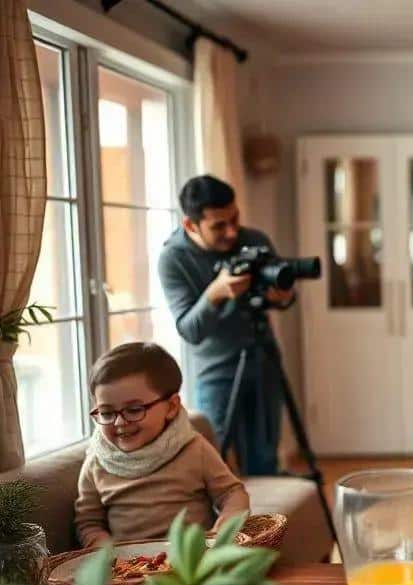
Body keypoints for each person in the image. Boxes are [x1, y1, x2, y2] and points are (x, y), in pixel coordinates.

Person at [158, 175, 293, 475]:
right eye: (219, 225)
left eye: (235, 219)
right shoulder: (172, 259)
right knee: (213, 463)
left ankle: (268, 522)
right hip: (216, 372)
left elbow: (279, 299)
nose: (232, 232)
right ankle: (229, 522)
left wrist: (282, 296)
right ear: (191, 225)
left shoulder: (254, 240)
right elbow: (190, 330)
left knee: (265, 461)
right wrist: (215, 294)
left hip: (264, 360)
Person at [75, 342, 249, 546]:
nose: (119, 422)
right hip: (129, 571)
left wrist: (224, 528)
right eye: (106, 412)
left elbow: (232, 493)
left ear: (172, 406)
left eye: (134, 410)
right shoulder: (97, 461)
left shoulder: (193, 448)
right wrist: (105, 551)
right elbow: (88, 522)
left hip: (193, 563)